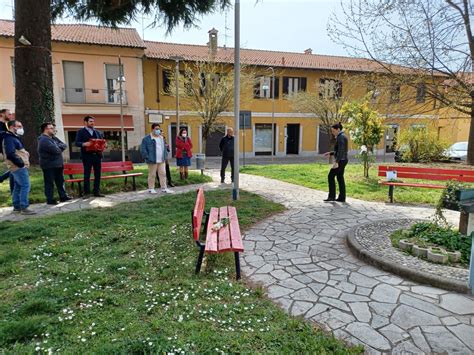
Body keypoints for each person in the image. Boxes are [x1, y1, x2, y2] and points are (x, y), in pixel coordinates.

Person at [3, 120, 36, 214]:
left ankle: (17, 207)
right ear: (12, 127)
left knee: (18, 186)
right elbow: (10, 153)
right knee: (25, 185)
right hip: (18, 167)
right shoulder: (9, 138)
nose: (21, 128)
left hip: (16, 167)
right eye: (19, 126)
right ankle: (24, 208)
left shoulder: (12, 137)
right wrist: (21, 163)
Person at [38, 122, 72, 205]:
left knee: (60, 182)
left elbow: (64, 145)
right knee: (49, 183)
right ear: (46, 129)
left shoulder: (53, 138)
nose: (54, 130)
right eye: (51, 128)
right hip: (49, 165)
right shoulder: (43, 139)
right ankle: (50, 199)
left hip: (58, 164)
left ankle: (63, 196)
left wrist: (58, 147)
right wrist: (58, 147)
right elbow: (56, 151)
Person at [75, 116, 105, 198]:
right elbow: (77, 143)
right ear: (85, 122)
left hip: (97, 156)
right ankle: (87, 193)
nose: (92, 123)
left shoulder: (98, 132)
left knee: (98, 174)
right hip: (87, 156)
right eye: (91, 121)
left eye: (93, 121)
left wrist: (103, 146)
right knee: (87, 174)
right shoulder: (80, 132)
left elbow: (102, 142)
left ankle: (96, 192)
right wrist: (84, 144)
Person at [140, 123, 174, 194]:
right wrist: (147, 157)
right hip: (152, 160)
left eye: (159, 129)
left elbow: (164, 148)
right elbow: (143, 149)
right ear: (152, 129)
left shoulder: (161, 138)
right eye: (156, 129)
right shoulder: (146, 139)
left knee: (163, 174)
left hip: (161, 160)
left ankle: (164, 188)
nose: (158, 130)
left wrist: (165, 155)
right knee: (152, 174)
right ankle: (151, 188)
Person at [323, 122, 348, 202]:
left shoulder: (340, 137)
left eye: (333, 131)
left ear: (338, 129)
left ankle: (332, 196)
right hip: (343, 160)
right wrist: (331, 153)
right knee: (340, 177)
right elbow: (340, 150)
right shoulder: (342, 136)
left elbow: (341, 150)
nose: (333, 133)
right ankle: (342, 197)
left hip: (340, 161)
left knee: (330, 176)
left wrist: (336, 162)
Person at [0, 109, 14, 191]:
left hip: (5, 150)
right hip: (2, 152)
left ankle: (1, 178)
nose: (11, 115)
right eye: (9, 114)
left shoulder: (5, 125)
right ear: (2, 114)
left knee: (15, 168)